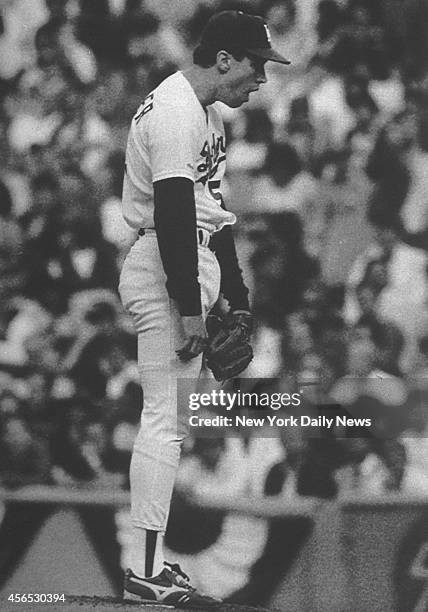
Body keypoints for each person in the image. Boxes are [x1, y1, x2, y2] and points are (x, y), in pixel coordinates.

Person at [118, 10, 290, 608]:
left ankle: (149, 565)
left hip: (187, 263)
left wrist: (236, 300)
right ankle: (143, 572)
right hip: (167, 268)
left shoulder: (209, 116)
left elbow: (211, 214)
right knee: (163, 423)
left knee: (174, 427)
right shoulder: (173, 109)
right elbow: (170, 213)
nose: (262, 79)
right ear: (224, 59)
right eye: (257, 65)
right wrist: (190, 307)